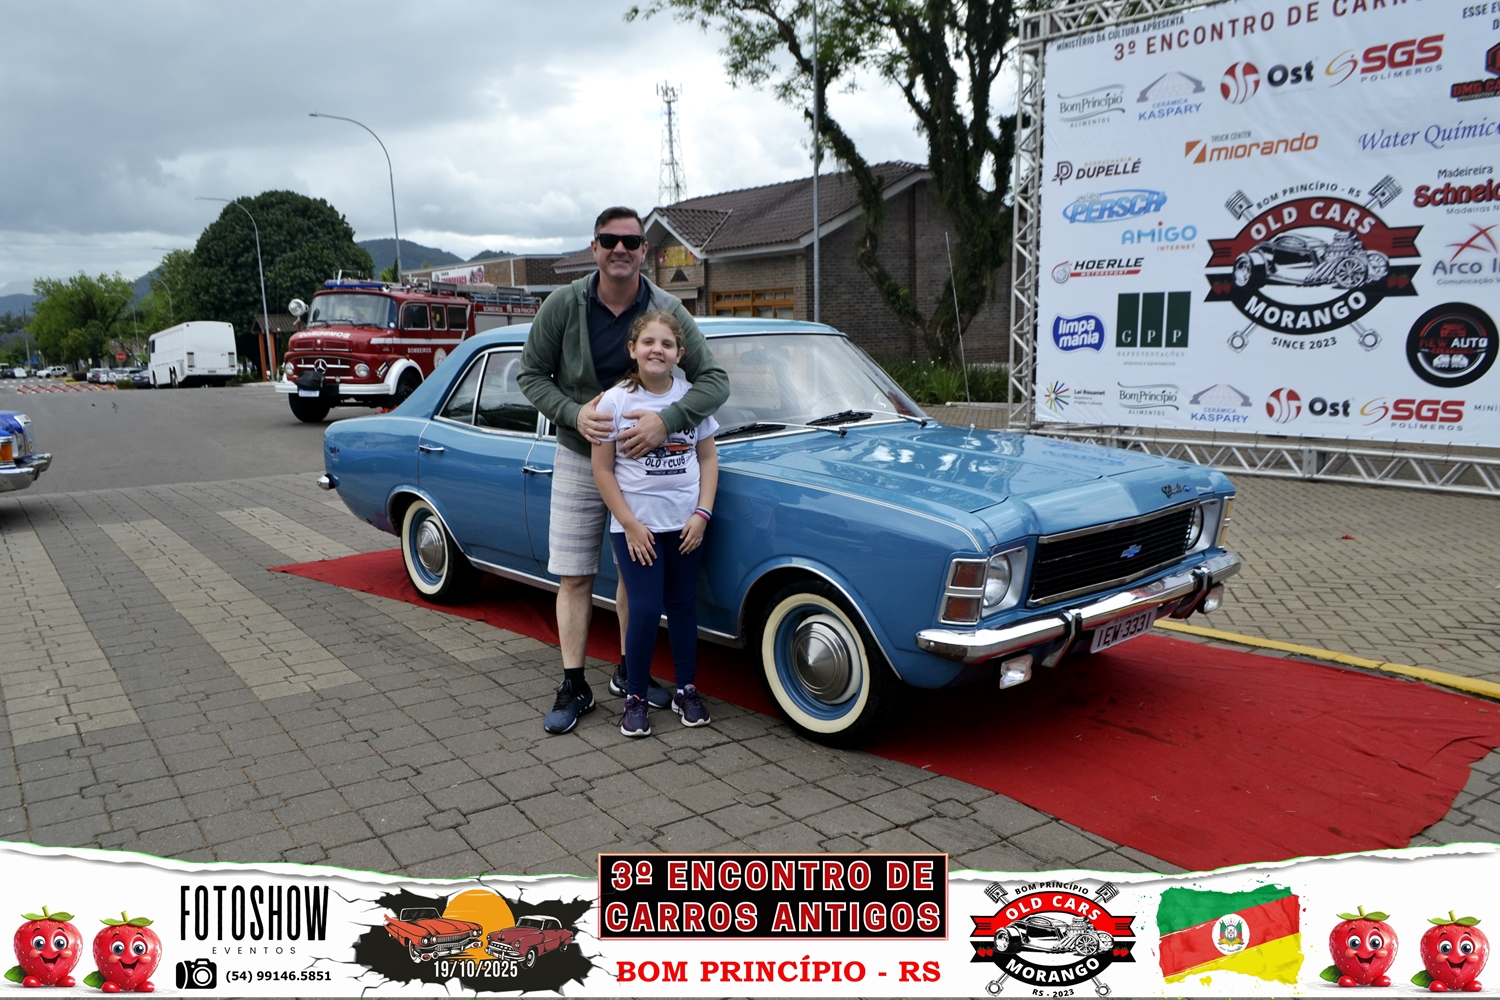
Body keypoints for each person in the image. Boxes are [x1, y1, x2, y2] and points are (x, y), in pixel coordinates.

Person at [517, 207, 729, 734]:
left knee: (638, 577)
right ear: (594, 248)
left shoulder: (667, 309)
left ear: (643, 251)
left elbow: (714, 381)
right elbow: (530, 374)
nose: (620, 249)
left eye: (631, 242)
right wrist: (573, 414)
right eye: (609, 240)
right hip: (580, 451)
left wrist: (667, 422)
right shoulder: (564, 304)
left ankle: (629, 672)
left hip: (652, 467)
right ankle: (574, 684)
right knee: (575, 573)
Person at [592, 311, 719, 736]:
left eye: (667, 344)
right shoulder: (615, 401)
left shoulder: (691, 399)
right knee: (645, 609)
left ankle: (686, 689)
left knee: (683, 606)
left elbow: (707, 458)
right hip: (637, 530)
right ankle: (635, 697)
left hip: (686, 527)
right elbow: (603, 470)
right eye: (648, 342)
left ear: (680, 353)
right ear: (632, 349)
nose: (657, 350)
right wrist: (628, 524)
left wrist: (702, 514)